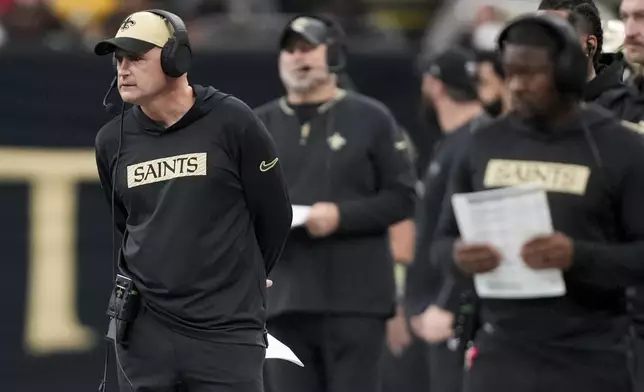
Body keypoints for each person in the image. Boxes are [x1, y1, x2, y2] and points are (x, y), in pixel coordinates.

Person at [432, 13, 644, 392]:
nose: (516, 85)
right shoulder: (482, 144)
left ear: (566, 74)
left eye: (530, 73)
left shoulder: (620, 148)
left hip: (590, 357)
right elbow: (442, 242)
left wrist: (577, 256)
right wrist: (459, 258)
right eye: (509, 72)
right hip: (500, 353)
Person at [93, 9, 292, 392]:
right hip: (144, 333)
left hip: (226, 331)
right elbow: (128, 221)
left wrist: (245, 276)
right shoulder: (110, 140)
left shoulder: (232, 121)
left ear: (175, 58)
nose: (123, 69)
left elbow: (274, 213)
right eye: (118, 59)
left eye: (136, 58)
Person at [255, 14, 416, 392]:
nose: (297, 57)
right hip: (283, 301)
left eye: (308, 47)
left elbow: (403, 198)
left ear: (335, 55)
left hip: (355, 300)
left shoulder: (372, 117)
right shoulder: (258, 126)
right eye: (289, 49)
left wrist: (341, 216)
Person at [403, 46, 492, 392]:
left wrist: (448, 303)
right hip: (438, 311)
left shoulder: (477, 140)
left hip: (456, 317)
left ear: (434, 85)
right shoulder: (456, 141)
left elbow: (477, 232)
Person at [538, 0, 644, 123]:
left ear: (590, 45)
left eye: (556, 36)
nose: (630, 32)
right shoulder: (529, 104)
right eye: (624, 17)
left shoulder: (609, 111)